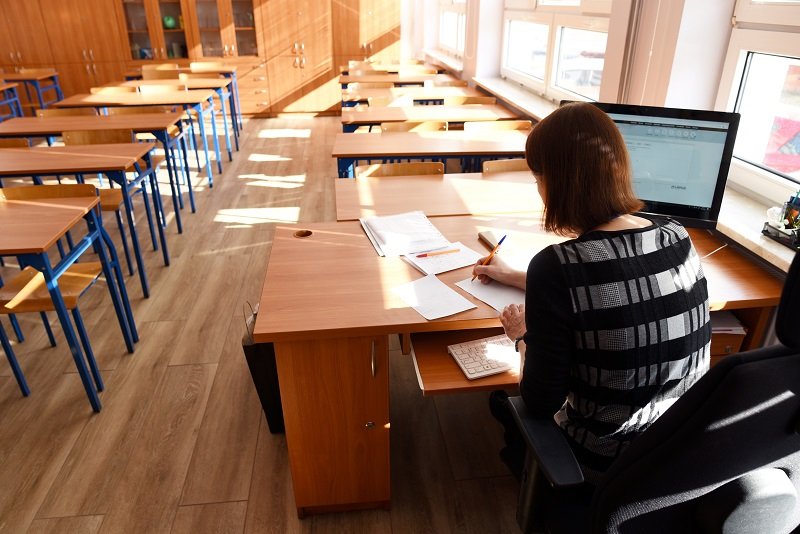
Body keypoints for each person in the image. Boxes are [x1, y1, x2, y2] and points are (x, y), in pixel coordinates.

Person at [474, 102, 711, 483]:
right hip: (676, 453)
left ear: (555, 182)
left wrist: (521, 336)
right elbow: (612, 286)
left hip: (603, 466)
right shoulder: (675, 234)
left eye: (537, 179)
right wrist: (516, 276)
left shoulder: (558, 265)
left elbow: (540, 401)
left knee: (508, 405)